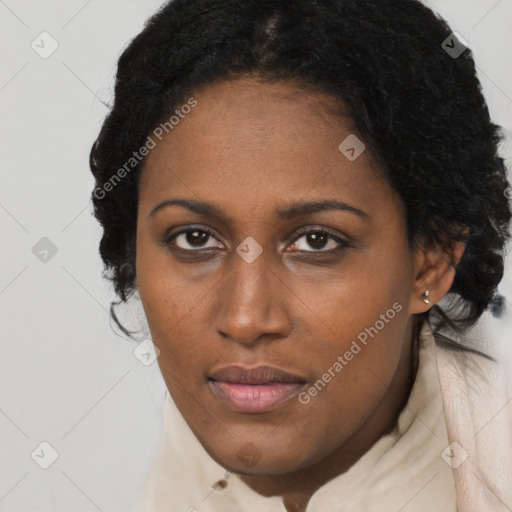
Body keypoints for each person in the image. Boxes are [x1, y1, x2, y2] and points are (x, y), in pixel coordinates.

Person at [89, 0, 512, 510]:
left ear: (432, 260)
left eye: (317, 241)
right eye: (195, 239)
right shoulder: (176, 479)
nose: (245, 318)